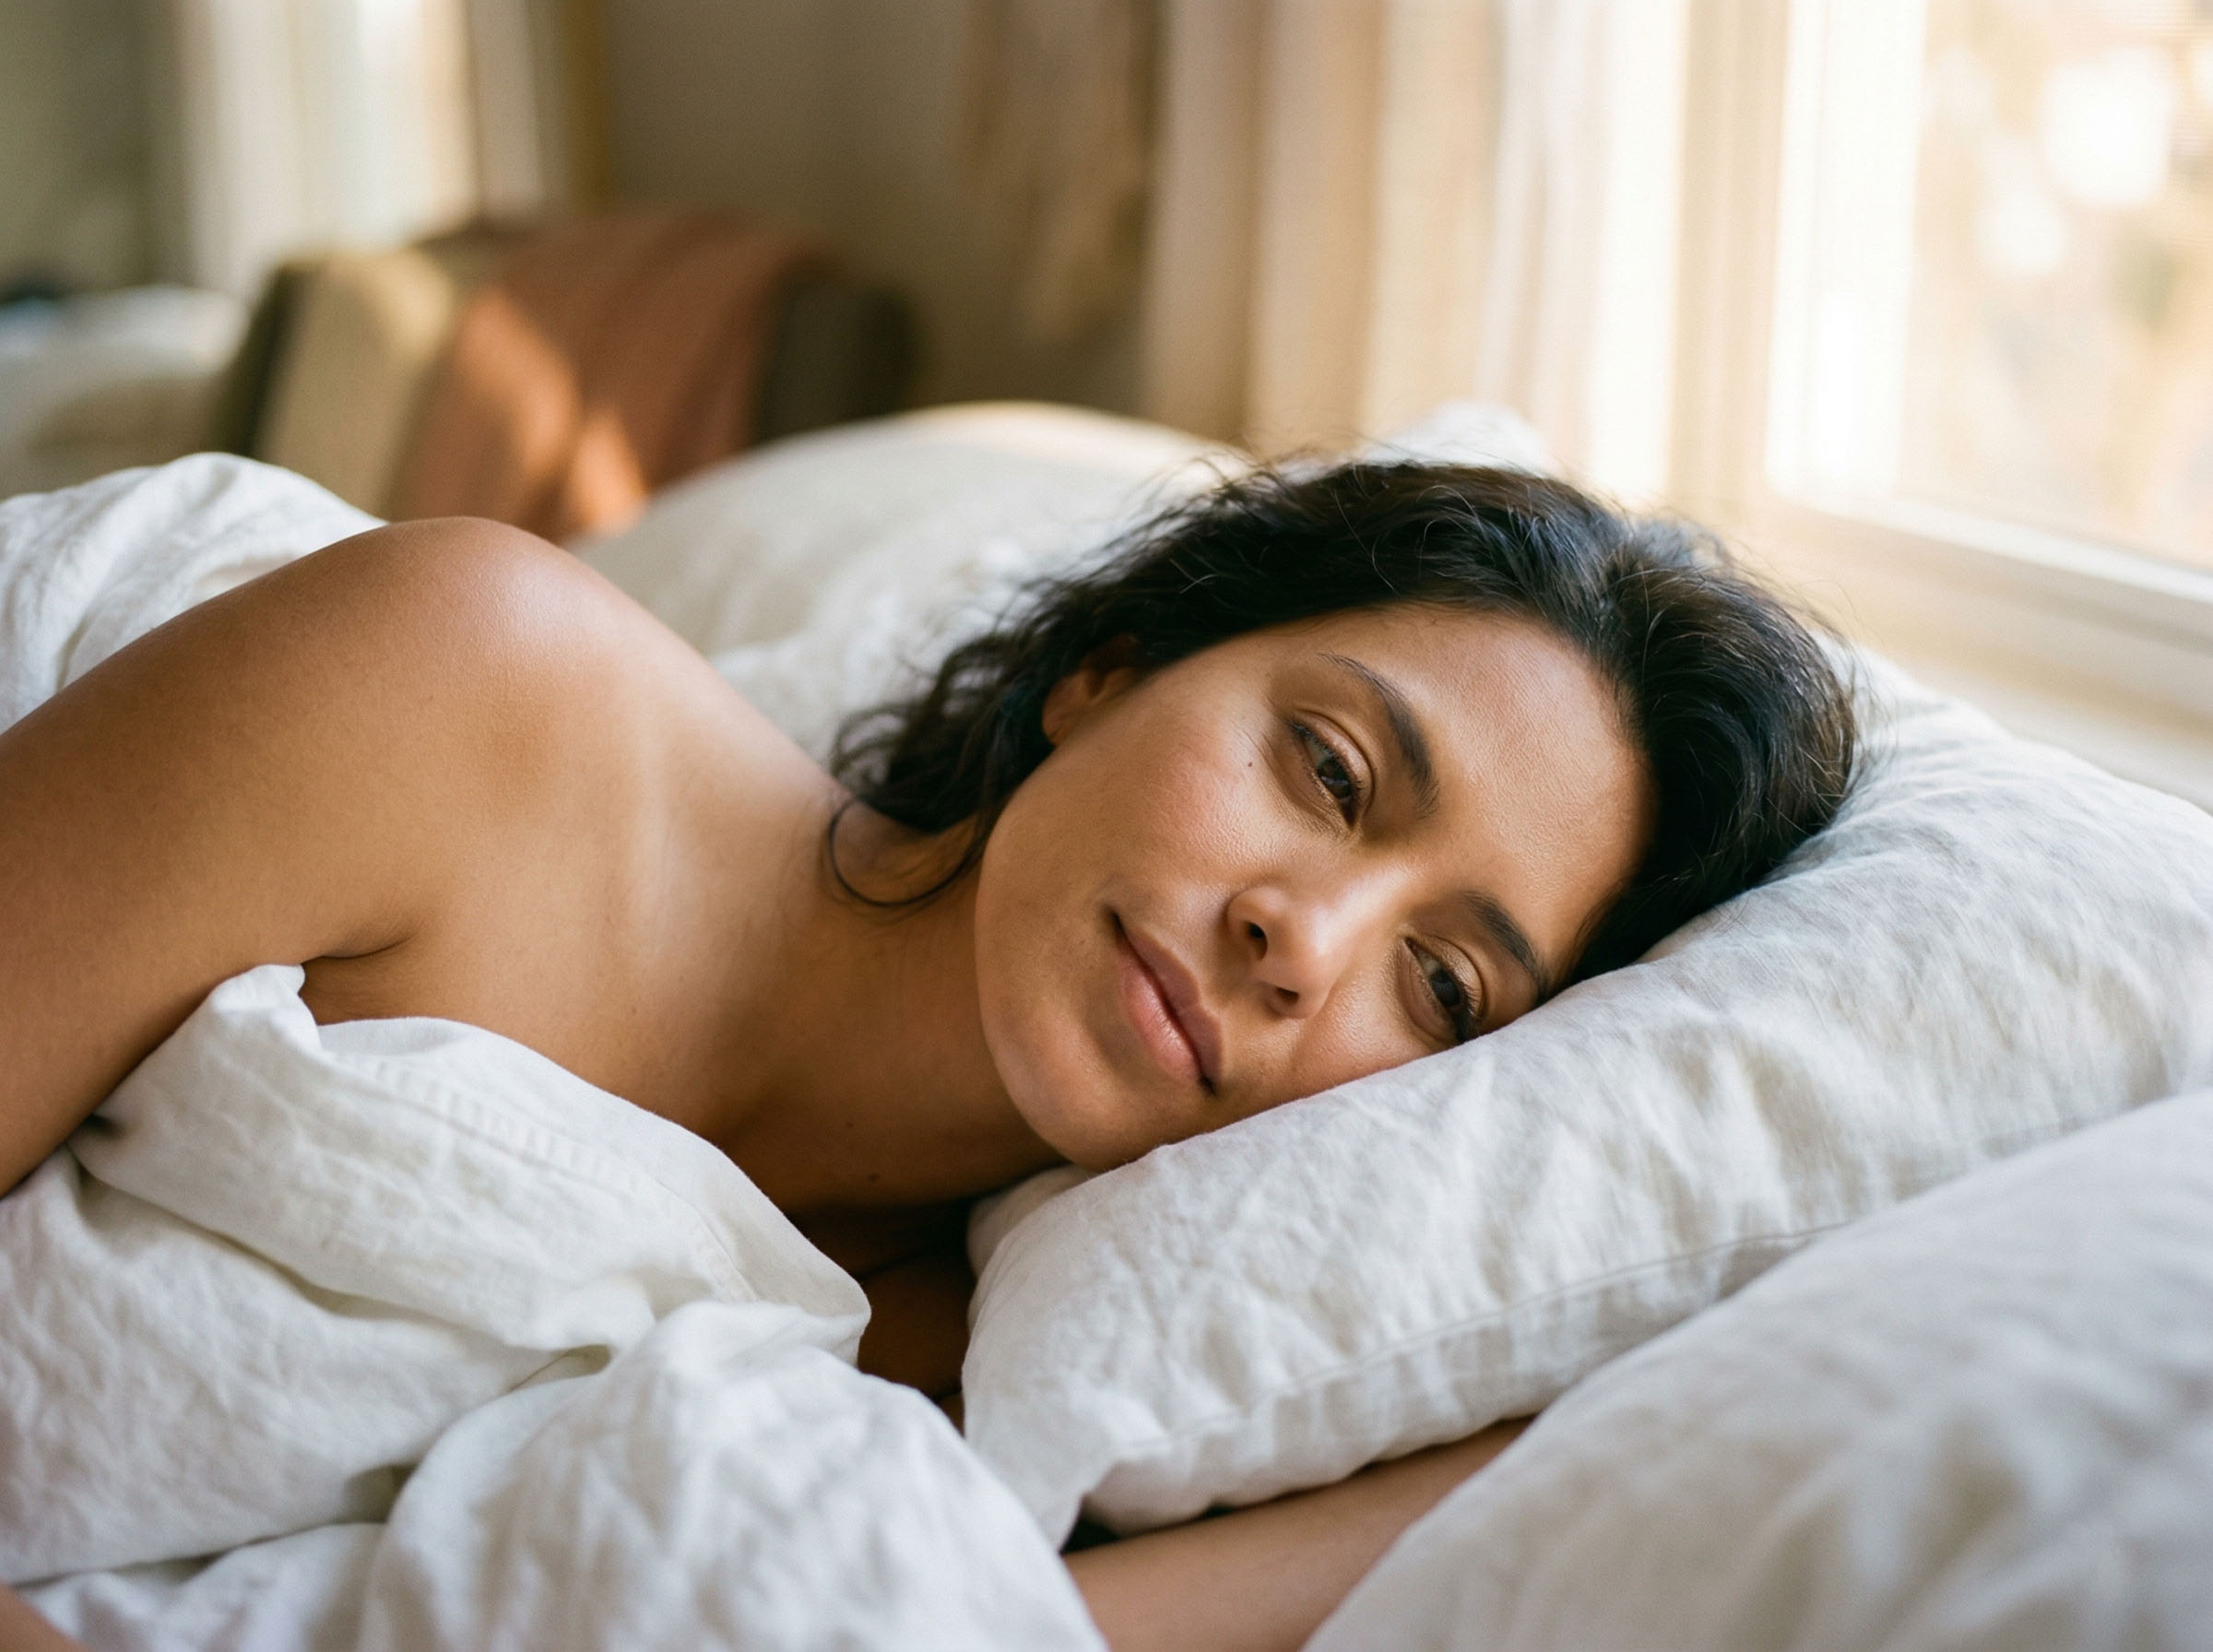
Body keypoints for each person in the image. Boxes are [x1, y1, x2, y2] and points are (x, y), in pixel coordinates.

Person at [0, 460, 1854, 1650]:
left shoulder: (947, 1360)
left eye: (1443, 984)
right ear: (1111, 666)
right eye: (1331, 768)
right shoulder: (475, 688)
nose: (1308, 937)